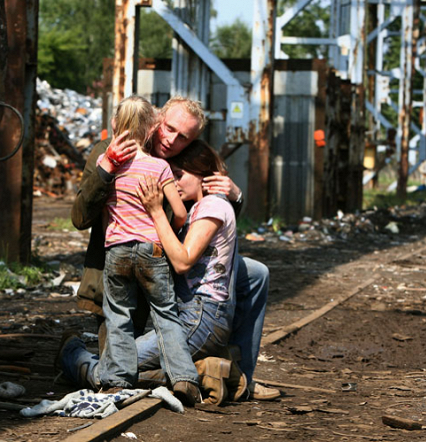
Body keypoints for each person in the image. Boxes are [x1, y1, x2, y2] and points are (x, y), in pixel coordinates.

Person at [71, 96, 277, 399]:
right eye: (168, 129)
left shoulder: (178, 163)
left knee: (256, 273)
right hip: (123, 273)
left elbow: (210, 223)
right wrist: (107, 170)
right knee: (117, 374)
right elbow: (79, 217)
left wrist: (234, 196)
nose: (172, 140)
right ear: (156, 120)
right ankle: (203, 370)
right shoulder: (112, 150)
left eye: (184, 137)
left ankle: (241, 377)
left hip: (167, 272)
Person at [59, 140, 242, 403]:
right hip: (196, 317)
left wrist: (156, 211)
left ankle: (71, 354)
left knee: (115, 369)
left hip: (199, 319)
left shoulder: (212, 206)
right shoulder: (199, 207)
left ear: (204, 176)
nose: (174, 183)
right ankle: (207, 371)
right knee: (125, 362)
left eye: (179, 175)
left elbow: (182, 262)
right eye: (171, 175)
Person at [94, 96, 199, 404]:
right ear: (153, 127)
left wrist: (112, 236)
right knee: (165, 314)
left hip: (116, 249)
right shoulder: (159, 167)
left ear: (116, 125)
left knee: (117, 315)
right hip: (152, 249)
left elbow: (102, 211)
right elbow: (179, 213)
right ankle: (183, 378)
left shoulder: (109, 165)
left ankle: (117, 380)